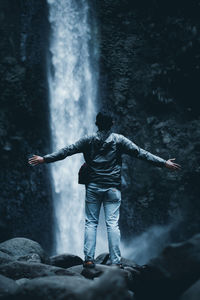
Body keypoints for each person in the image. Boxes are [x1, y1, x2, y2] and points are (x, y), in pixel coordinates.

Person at [28, 112, 181, 268]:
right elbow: (141, 153)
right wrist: (164, 163)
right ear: (112, 123)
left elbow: (67, 151)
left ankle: (88, 259)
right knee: (112, 224)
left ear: (96, 123)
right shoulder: (119, 140)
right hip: (113, 188)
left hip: (93, 187)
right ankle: (116, 261)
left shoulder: (87, 140)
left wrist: (44, 159)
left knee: (91, 223)